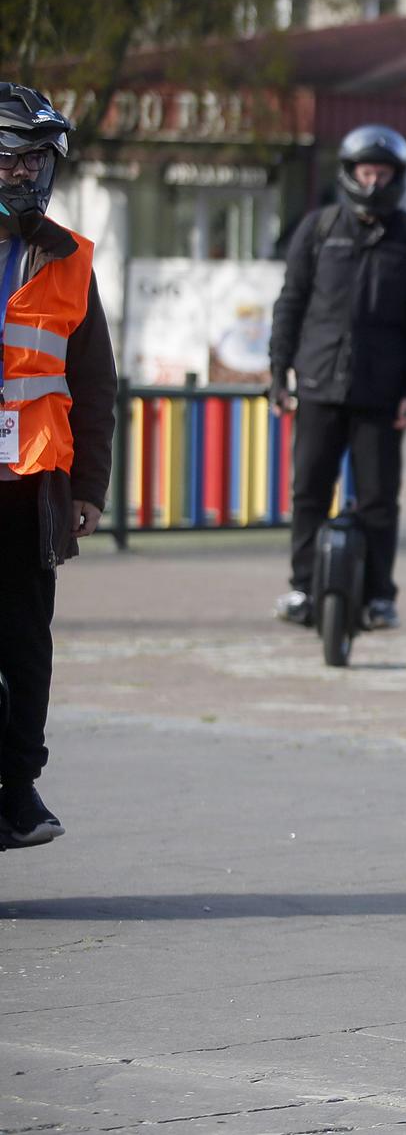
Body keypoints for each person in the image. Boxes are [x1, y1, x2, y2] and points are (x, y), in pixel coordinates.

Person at [269, 124, 406, 632]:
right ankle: (303, 588)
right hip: (319, 384)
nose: (374, 182)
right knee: (308, 490)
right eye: (366, 172)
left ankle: (378, 597)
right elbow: (290, 304)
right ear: (350, 174)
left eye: (383, 173)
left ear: (397, 177)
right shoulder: (319, 229)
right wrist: (279, 372)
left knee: (377, 501)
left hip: (383, 393)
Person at [0, 85, 115, 848]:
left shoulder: (69, 260)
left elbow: (96, 383)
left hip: (30, 487)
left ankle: (18, 787)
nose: (26, 175)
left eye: (37, 161)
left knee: (24, 639)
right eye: (14, 158)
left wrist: (91, 491)